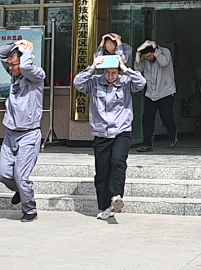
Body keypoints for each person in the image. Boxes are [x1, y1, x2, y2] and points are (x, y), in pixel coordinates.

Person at [73, 56, 146, 220]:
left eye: (114, 73)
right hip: (101, 133)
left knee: (118, 161)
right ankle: (106, 206)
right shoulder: (94, 82)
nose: (111, 76)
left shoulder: (126, 82)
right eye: (108, 72)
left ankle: (116, 196)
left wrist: (125, 68)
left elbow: (141, 82)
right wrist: (92, 67)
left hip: (122, 131)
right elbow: (78, 83)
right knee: (102, 171)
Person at [0, 39, 46, 222]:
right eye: (10, 65)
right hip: (11, 133)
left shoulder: (36, 76)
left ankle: (29, 210)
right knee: (3, 174)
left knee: (21, 176)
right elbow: (2, 53)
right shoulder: (13, 76)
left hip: (29, 134)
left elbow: (25, 67)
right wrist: (17, 43)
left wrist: (26, 51)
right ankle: (20, 190)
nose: (12, 68)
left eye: (14, 65)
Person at [135, 40, 177, 152]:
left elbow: (164, 62)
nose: (148, 58)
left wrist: (157, 50)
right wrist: (138, 54)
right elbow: (138, 70)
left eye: (150, 55)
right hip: (150, 93)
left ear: (154, 51)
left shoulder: (165, 52)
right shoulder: (144, 58)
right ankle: (147, 144)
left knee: (166, 116)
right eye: (146, 56)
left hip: (166, 92)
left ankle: (172, 134)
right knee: (147, 118)